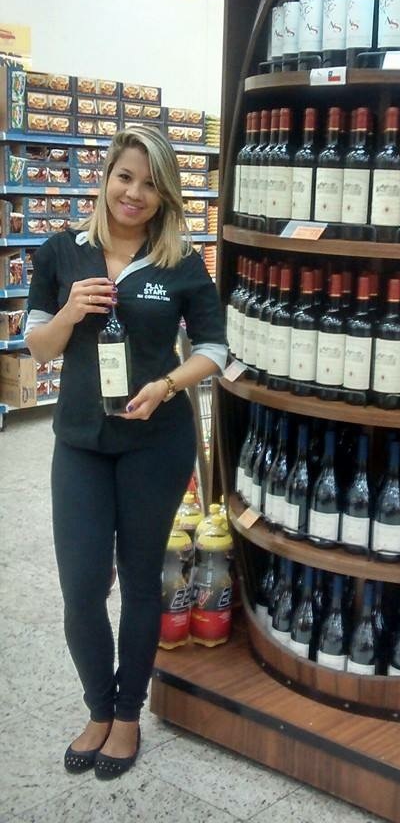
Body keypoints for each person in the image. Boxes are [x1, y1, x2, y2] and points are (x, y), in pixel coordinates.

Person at [25, 125, 227, 780]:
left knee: (141, 583)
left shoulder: (181, 261)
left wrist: (168, 384)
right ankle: (97, 707)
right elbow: (38, 348)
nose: (134, 193)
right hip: (81, 442)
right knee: (82, 589)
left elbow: (214, 349)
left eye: (150, 183)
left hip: (155, 444)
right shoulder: (61, 252)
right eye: (125, 177)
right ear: (106, 176)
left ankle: (128, 714)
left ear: (165, 193)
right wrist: (68, 313)